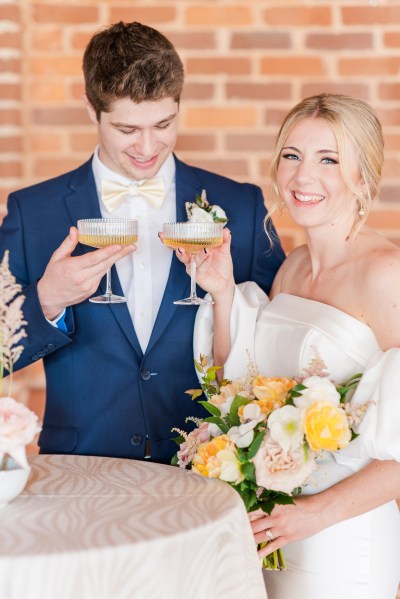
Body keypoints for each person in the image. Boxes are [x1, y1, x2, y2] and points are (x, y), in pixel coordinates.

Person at [0, 21, 285, 463]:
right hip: (80, 468)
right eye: (127, 129)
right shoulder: (33, 211)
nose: (148, 147)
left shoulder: (240, 205)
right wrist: (46, 301)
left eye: (164, 124)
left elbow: (278, 337)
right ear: (90, 109)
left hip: (211, 465)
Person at [181, 94, 400, 597]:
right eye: (292, 155)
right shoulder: (292, 268)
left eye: (329, 160)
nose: (304, 177)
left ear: (363, 175)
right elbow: (235, 386)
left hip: (343, 533)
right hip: (273, 527)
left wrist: (315, 514)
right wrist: (220, 293)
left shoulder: (385, 275)